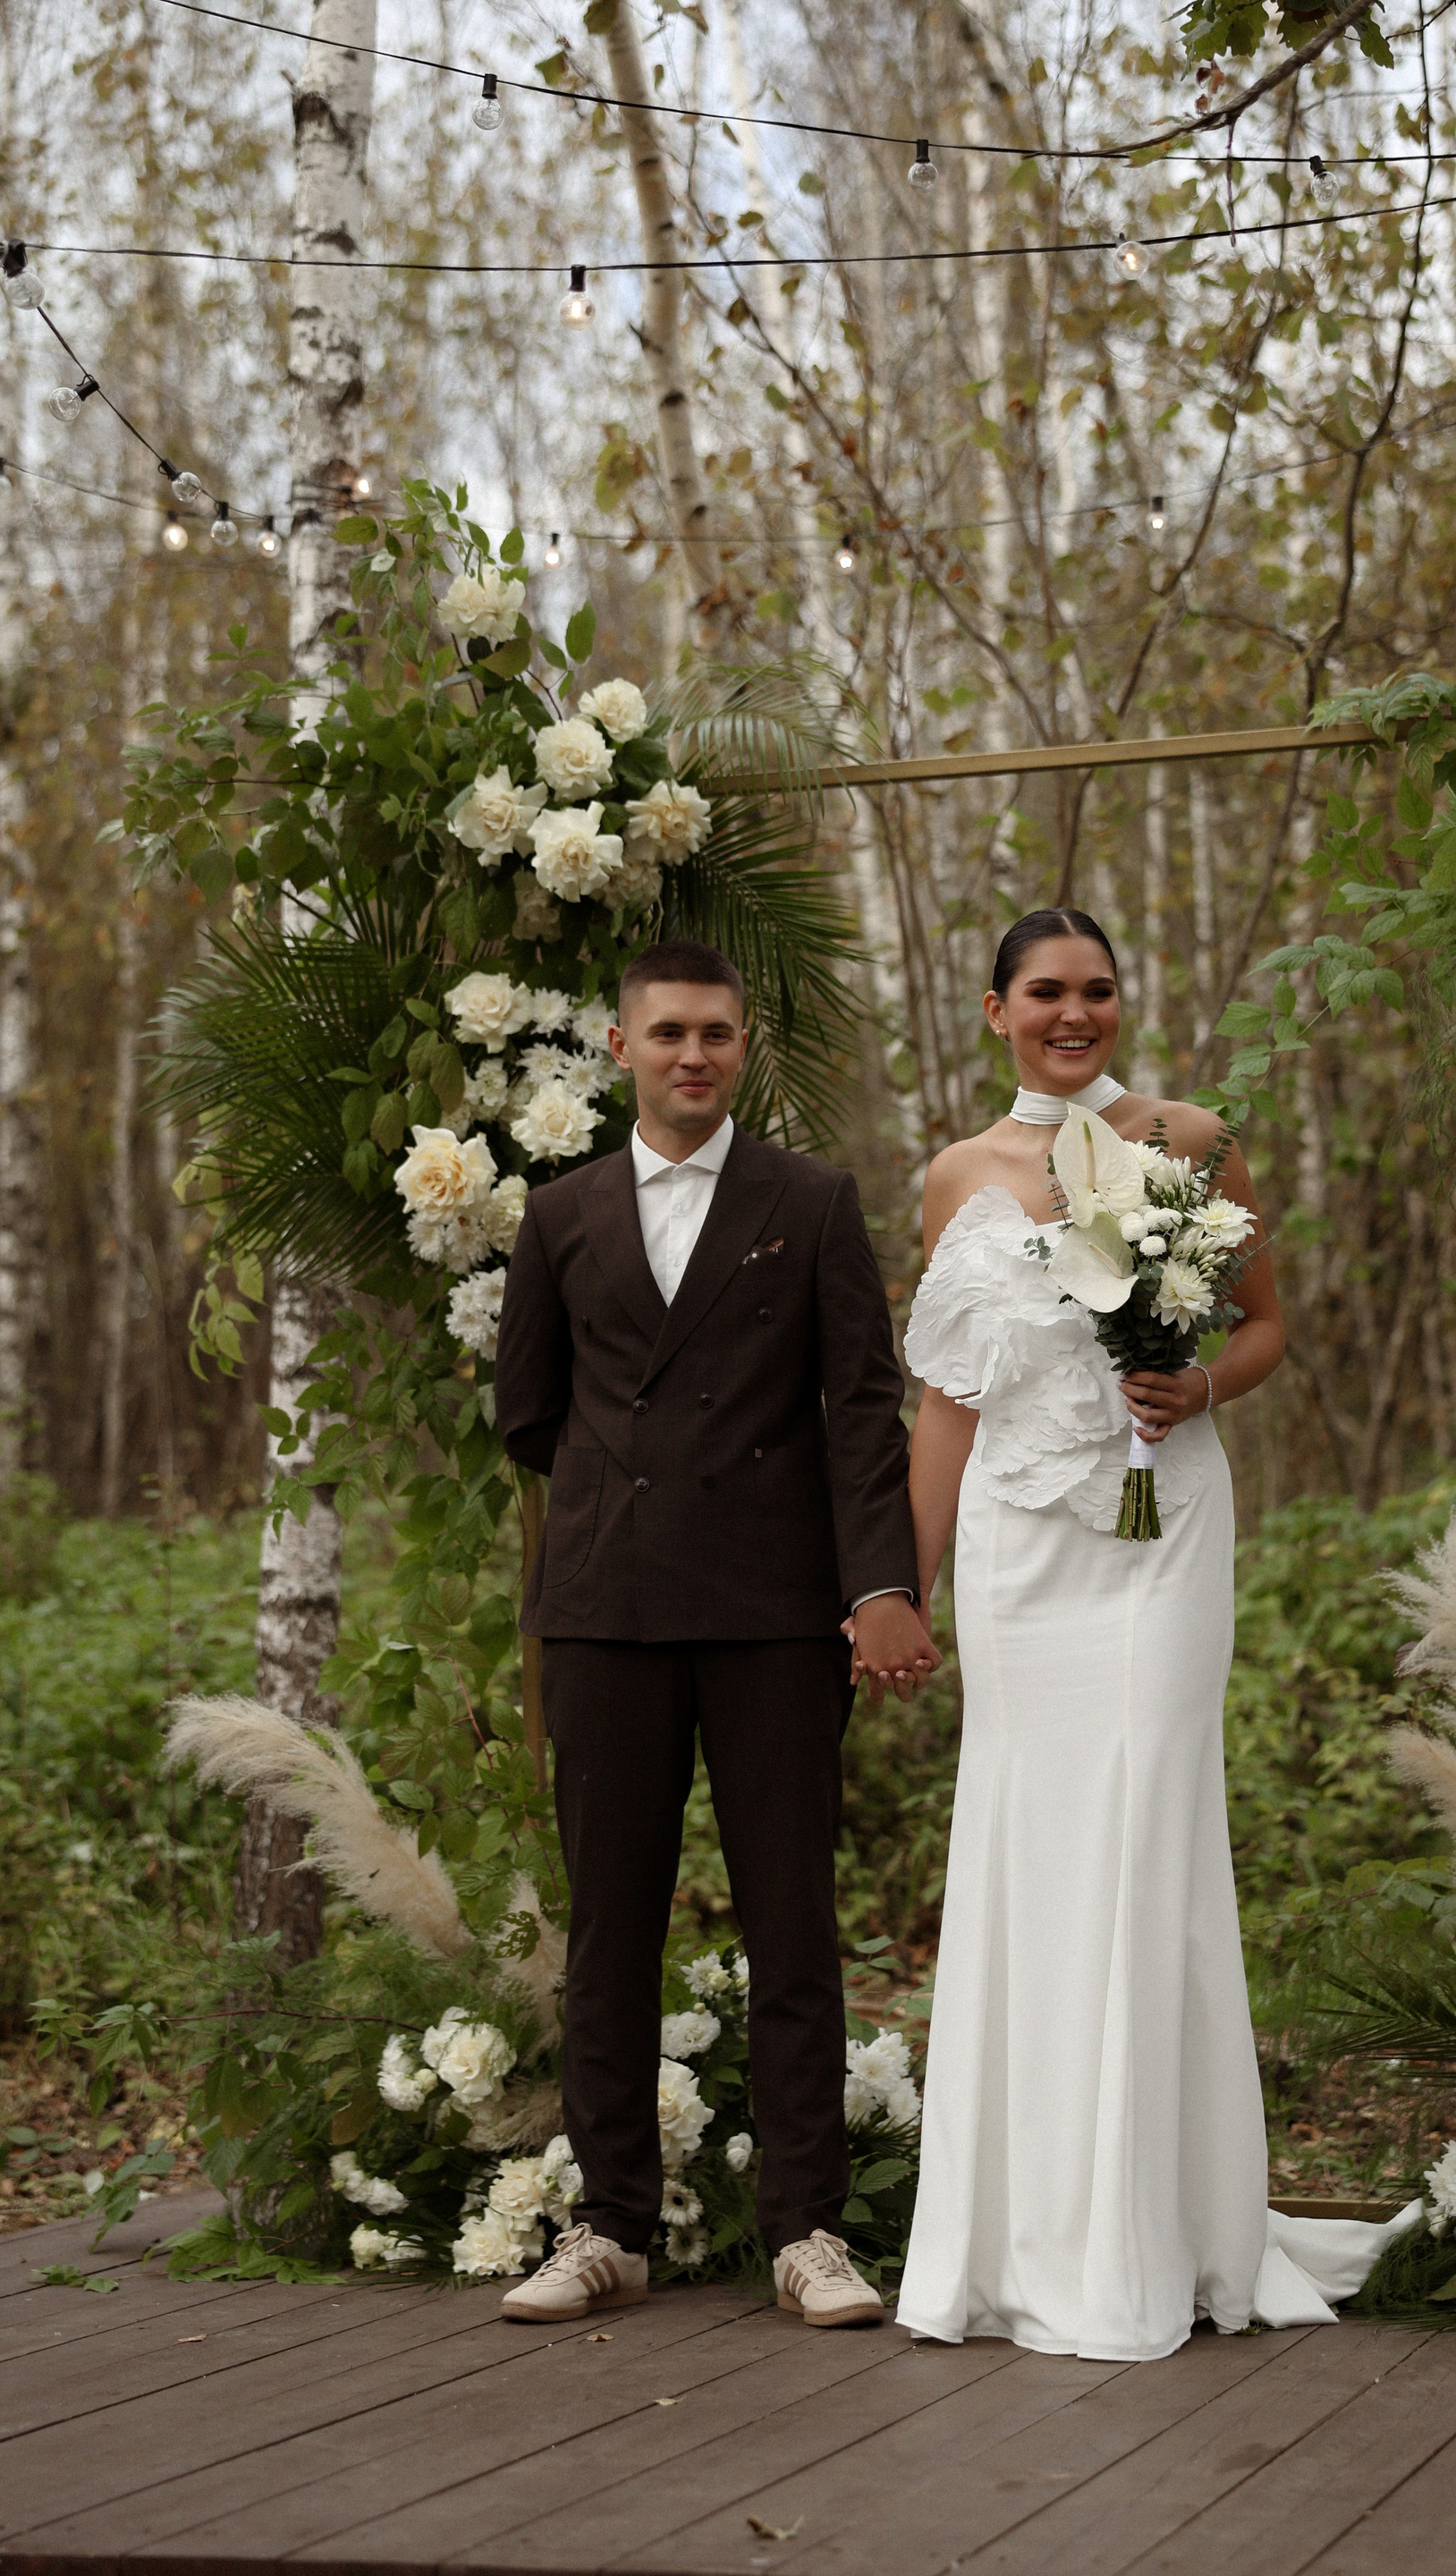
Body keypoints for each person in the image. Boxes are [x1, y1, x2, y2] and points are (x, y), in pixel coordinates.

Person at [881, 907, 1416, 2363]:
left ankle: (1154, 2223)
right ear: (994, 1009)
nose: (1075, 1014)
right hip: (1019, 1548)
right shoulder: (953, 1178)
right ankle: (1018, 2229)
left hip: (1161, 1531)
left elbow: (1265, 1325)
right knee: (1027, 1841)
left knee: (1149, 1832)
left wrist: (1203, 1387)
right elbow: (949, 1399)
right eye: (1046, 992)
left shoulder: (1191, 1141)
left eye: (1099, 991)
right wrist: (903, 1585)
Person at [492, 937, 938, 2329]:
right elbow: (530, 1412)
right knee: (609, 1933)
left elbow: (861, 1408)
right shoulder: (559, 1215)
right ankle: (609, 2228)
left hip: (774, 1618)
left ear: (744, 1048)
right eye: (671, 1032)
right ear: (619, 1048)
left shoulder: (811, 1201)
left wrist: (878, 1585)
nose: (695, 1054)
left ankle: (806, 2230)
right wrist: (631, 1501)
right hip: (607, 1615)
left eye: (718, 1033)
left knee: (791, 1925)